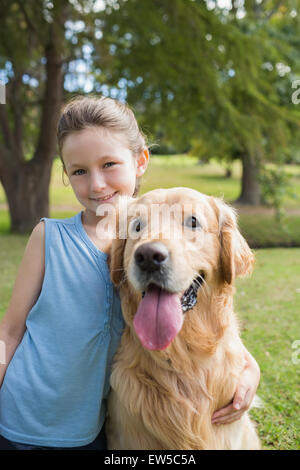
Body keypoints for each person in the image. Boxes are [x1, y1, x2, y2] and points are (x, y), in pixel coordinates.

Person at [0, 96, 260, 450]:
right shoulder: (49, 237)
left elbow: (213, 318)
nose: (96, 185)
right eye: (79, 171)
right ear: (65, 174)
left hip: (88, 434)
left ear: (140, 161)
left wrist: (249, 368)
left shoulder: (136, 240)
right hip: (21, 417)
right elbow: (9, 331)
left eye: (109, 164)